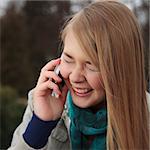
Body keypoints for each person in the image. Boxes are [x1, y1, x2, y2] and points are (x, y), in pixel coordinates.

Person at [8, 0, 149, 150]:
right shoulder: (42, 102)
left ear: (122, 69)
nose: (75, 77)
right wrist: (40, 126)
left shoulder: (146, 118)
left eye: (91, 65)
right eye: (68, 59)